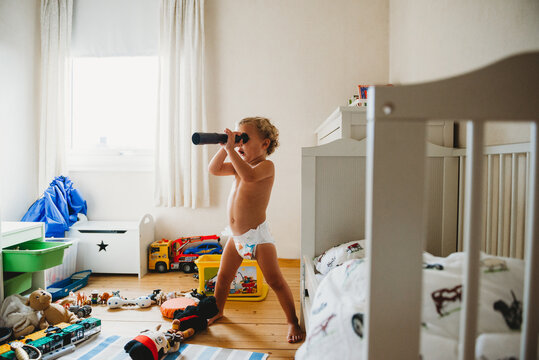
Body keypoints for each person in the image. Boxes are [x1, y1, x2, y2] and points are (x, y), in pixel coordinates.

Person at [207, 116, 304, 343]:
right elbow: (213, 169)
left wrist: (232, 149)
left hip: (257, 237)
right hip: (236, 237)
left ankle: (292, 321)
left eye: (244, 139)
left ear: (265, 144)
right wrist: (225, 147)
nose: (240, 144)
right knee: (222, 277)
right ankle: (217, 310)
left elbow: (249, 177)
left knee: (275, 281)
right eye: (238, 139)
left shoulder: (265, 166)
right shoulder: (237, 166)